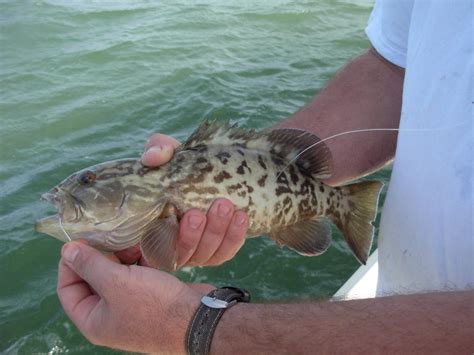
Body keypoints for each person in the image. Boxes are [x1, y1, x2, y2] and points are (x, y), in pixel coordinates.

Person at [56, 0, 473, 353]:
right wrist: (255, 163)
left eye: (88, 182)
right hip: (397, 296)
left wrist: (192, 326)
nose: (76, 190)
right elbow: (396, 68)